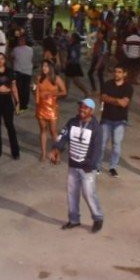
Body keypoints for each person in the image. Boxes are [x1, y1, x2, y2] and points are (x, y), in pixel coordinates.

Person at [49, 98, 104, 233]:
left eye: (85, 107)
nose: (82, 109)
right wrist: (56, 149)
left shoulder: (96, 128)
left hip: (87, 168)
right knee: (72, 193)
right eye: (80, 106)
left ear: (91, 111)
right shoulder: (72, 122)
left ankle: (98, 218)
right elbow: (62, 137)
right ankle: (74, 220)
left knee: (89, 194)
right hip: (73, 165)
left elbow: (97, 150)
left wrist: (90, 165)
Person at [99, 64, 133, 177]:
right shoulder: (108, 84)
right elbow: (103, 98)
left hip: (120, 121)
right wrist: (117, 100)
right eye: (115, 71)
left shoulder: (128, 87)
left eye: (119, 72)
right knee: (102, 144)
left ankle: (113, 167)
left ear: (124, 74)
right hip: (106, 118)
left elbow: (124, 103)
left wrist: (110, 100)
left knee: (117, 145)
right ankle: (97, 165)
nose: (116, 74)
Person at [35, 60, 67, 161]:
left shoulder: (56, 79)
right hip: (41, 107)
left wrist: (52, 94)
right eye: (43, 66)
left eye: (46, 66)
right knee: (43, 130)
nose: (44, 68)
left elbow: (64, 91)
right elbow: (37, 92)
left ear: (51, 68)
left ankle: (57, 153)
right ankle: (43, 152)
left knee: (53, 132)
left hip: (52, 108)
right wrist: (35, 94)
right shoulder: (39, 77)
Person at [11, 34, 34, 112]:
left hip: (19, 71)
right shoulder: (30, 49)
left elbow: (11, 57)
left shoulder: (16, 49)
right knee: (25, 89)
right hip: (27, 71)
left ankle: (19, 104)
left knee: (19, 89)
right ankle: (24, 105)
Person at [64, 33, 91, 97]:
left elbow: (74, 56)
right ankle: (65, 92)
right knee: (68, 80)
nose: (70, 38)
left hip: (73, 65)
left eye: (71, 37)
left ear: (74, 39)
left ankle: (87, 92)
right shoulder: (74, 45)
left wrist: (68, 61)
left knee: (76, 81)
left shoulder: (74, 46)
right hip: (73, 64)